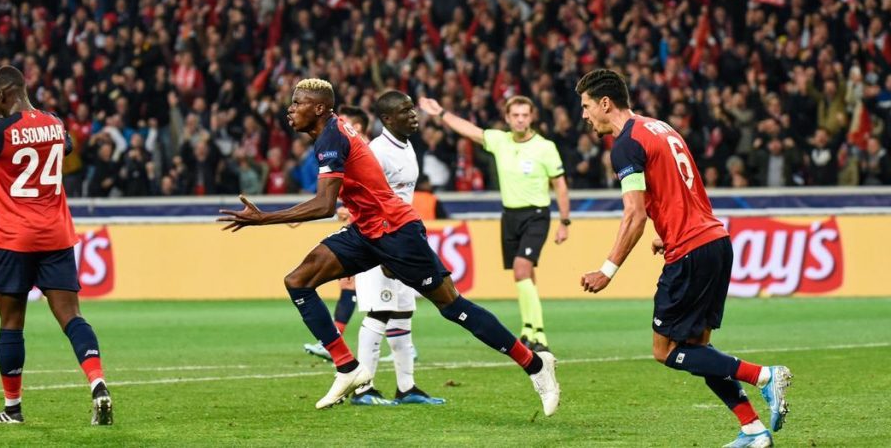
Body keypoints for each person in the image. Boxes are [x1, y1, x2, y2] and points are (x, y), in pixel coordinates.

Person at [220, 78, 559, 414]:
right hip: (368, 231)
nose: (290, 109)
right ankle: (347, 367)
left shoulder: (332, 137)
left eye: (298, 103)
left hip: (396, 232)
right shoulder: (332, 133)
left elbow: (324, 205)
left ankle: (535, 364)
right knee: (298, 281)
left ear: (319, 108)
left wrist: (264, 218)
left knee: (452, 307)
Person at [575, 69, 791, 448]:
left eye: (586, 105)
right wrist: (667, 230)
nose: (584, 115)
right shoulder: (659, 128)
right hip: (714, 242)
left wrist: (608, 270)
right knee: (697, 349)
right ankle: (753, 430)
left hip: (690, 251)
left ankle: (763, 376)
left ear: (605, 103)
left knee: (666, 351)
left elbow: (634, 215)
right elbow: (681, 187)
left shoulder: (625, 144)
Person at [0, 65, 112, 426]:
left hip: (15, 238)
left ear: (2, 94)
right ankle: (98, 385)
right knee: (72, 317)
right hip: (56, 234)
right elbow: (67, 145)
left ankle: (13, 409)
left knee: (11, 322)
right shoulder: (55, 123)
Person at [418, 95, 571, 352]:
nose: (520, 120)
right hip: (510, 216)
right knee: (524, 274)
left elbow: (560, 185)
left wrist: (564, 221)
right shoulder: (500, 141)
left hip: (536, 215)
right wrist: (441, 113)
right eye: (516, 115)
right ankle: (529, 331)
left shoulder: (545, 147)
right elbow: (469, 130)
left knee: (521, 269)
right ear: (507, 118)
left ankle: (540, 336)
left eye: (525, 115)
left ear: (532, 117)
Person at [349, 91, 444, 406]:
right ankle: (363, 389)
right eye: (406, 111)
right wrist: (382, 247)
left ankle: (407, 388)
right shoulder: (376, 152)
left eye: (413, 109)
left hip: (402, 241)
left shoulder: (407, 145)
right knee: (380, 311)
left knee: (403, 312)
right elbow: (366, 200)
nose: (414, 115)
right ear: (387, 119)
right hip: (380, 241)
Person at [302, 105, 368, 361]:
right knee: (350, 284)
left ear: (357, 127)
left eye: (345, 121)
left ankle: (402, 343)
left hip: (375, 228)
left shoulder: (369, 151)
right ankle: (334, 341)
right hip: (363, 225)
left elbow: (378, 193)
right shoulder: (350, 150)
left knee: (375, 293)